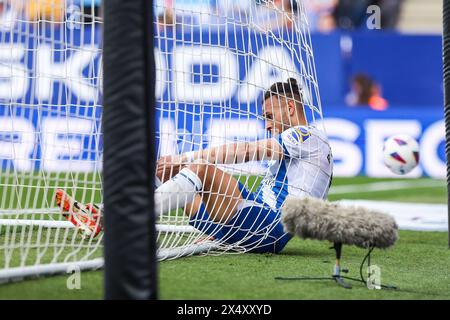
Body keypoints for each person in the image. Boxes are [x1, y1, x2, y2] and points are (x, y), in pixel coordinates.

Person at [55, 78, 333, 254]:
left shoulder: (308, 136)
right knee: (169, 171)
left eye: (270, 115)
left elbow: (250, 150)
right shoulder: (305, 146)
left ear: (291, 108)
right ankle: (115, 214)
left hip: (267, 228)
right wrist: (178, 164)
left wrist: (185, 157)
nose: (267, 123)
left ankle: (119, 220)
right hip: (247, 221)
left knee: (199, 168)